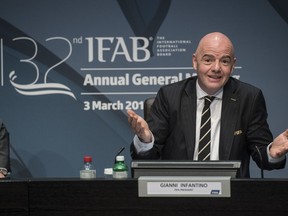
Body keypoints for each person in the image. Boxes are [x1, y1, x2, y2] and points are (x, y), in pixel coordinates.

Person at [127, 32, 288, 178]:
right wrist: (146, 140)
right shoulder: (170, 96)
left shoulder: (249, 98)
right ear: (195, 62)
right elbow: (148, 158)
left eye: (224, 61)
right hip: (178, 192)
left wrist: (273, 153)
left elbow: (262, 156)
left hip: (231, 196)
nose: (216, 68)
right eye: (208, 60)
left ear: (233, 65)